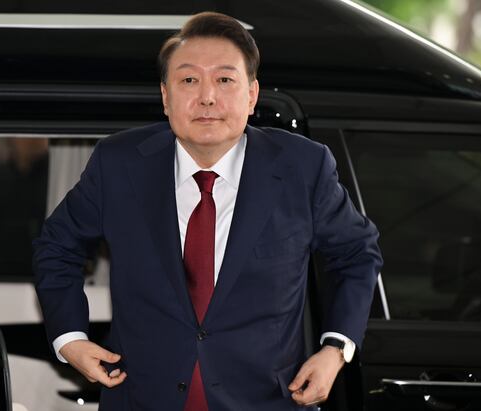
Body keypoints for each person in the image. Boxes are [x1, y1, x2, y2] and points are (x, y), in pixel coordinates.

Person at [33, 11, 382, 410]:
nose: (207, 97)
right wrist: (70, 339)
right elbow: (56, 246)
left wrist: (335, 348)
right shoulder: (120, 164)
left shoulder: (302, 167)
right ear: (165, 97)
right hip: (141, 397)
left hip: (266, 400)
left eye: (225, 79)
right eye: (188, 80)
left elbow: (357, 253)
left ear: (252, 95)